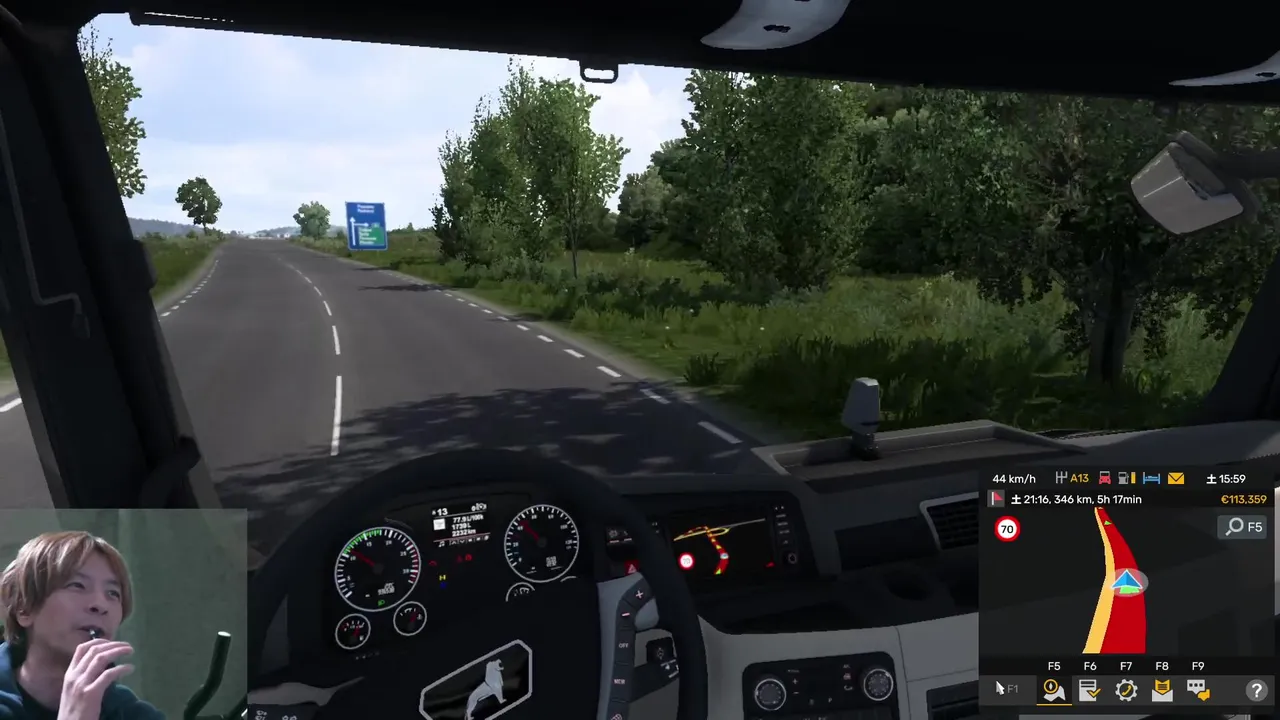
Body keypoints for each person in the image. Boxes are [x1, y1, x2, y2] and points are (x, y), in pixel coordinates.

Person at [0, 531, 163, 720]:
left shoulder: (134, 714)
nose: (100, 605)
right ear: (24, 609)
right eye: (77, 585)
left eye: (113, 593)